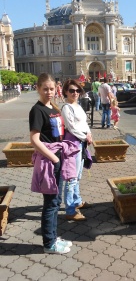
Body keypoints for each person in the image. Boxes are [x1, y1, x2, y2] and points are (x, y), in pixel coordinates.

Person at [29, 73, 75, 254]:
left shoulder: (53, 107)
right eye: (45, 89)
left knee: (56, 201)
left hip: (58, 157)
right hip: (50, 161)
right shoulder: (37, 110)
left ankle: (53, 237)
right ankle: (49, 244)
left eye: (52, 88)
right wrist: (54, 158)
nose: (49, 92)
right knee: (50, 203)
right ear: (38, 89)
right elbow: (34, 139)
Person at [61, 79, 93, 221]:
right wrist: (85, 137)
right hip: (73, 143)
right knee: (71, 177)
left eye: (77, 90)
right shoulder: (67, 108)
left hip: (80, 143)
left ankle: (77, 201)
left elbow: (84, 123)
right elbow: (71, 127)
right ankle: (70, 210)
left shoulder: (78, 106)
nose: (75, 93)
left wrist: (89, 133)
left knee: (78, 175)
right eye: (72, 90)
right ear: (66, 92)